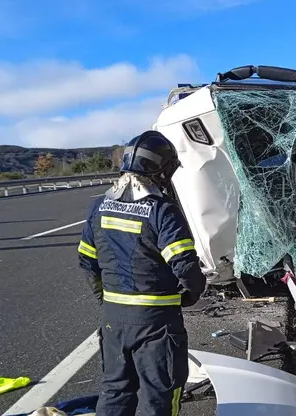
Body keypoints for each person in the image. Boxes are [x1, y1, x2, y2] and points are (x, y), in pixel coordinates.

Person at [76, 130, 207, 416]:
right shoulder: (162, 210)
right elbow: (185, 264)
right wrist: (194, 291)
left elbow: (87, 261)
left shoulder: (98, 207)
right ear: (162, 170)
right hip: (157, 324)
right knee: (160, 395)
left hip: (114, 321)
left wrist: (105, 300)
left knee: (115, 390)